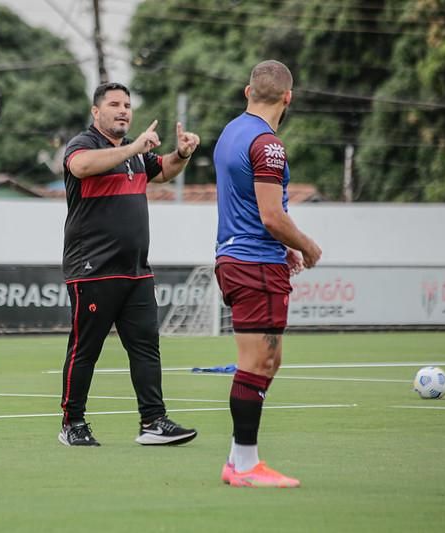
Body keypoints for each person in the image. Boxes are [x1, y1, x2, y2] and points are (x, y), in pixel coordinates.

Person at [59, 82, 200, 447]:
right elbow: (80, 167)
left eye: (127, 105)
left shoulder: (134, 154)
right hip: (93, 269)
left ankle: (152, 421)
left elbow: (165, 170)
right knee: (85, 349)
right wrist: (134, 147)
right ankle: (72, 423)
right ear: (96, 112)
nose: (123, 110)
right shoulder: (84, 144)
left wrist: (181, 154)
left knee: (146, 347)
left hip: (136, 270)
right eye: (114, 104)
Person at [213, 60, 322, 488]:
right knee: (258, 361)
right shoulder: (268, 144)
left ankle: (239, 458)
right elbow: (272, 216)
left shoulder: (230, 132)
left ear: (247, 92)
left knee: (268, 360)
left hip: (242, 259)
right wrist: (306, 245)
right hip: (254, 263)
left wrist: (283, 249)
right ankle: (243, 465)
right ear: (288, 98)